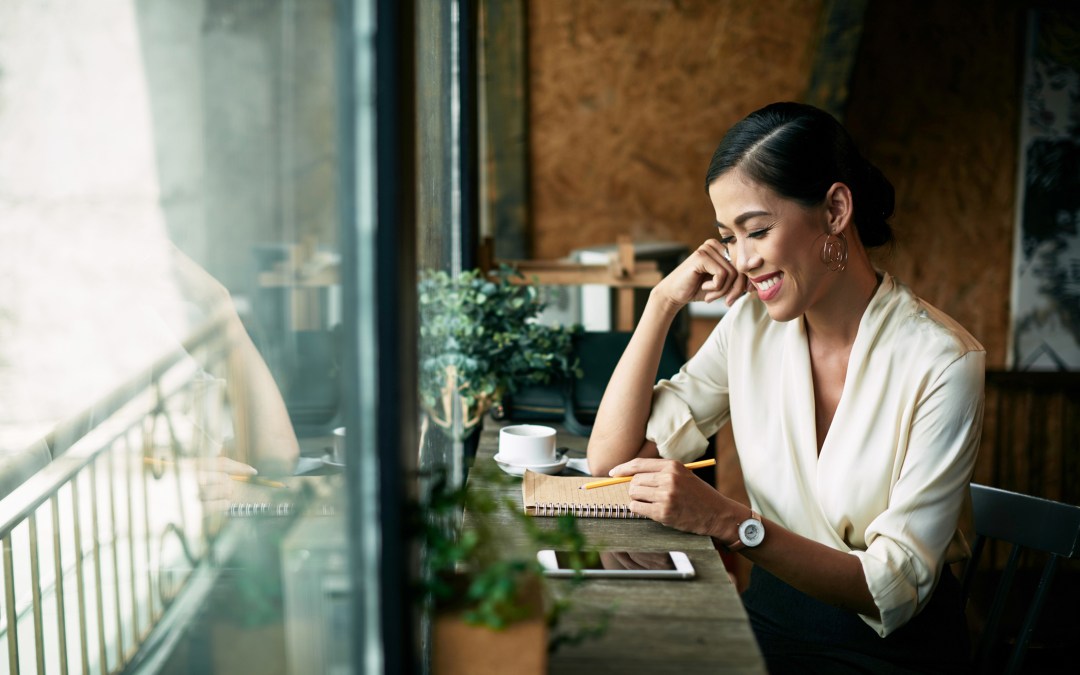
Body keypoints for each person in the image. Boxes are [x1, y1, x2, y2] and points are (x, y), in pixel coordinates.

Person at [586, 102, 984, 673]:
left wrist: (727, 521)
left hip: (892, 653)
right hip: (769, 625)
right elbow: (612, 461)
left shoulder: (944, 361)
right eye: (727, 238)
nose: (742, 261)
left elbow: (891, 590)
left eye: (758, 231)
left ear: (835, 210)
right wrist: (661, 303)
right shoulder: (748, 327)